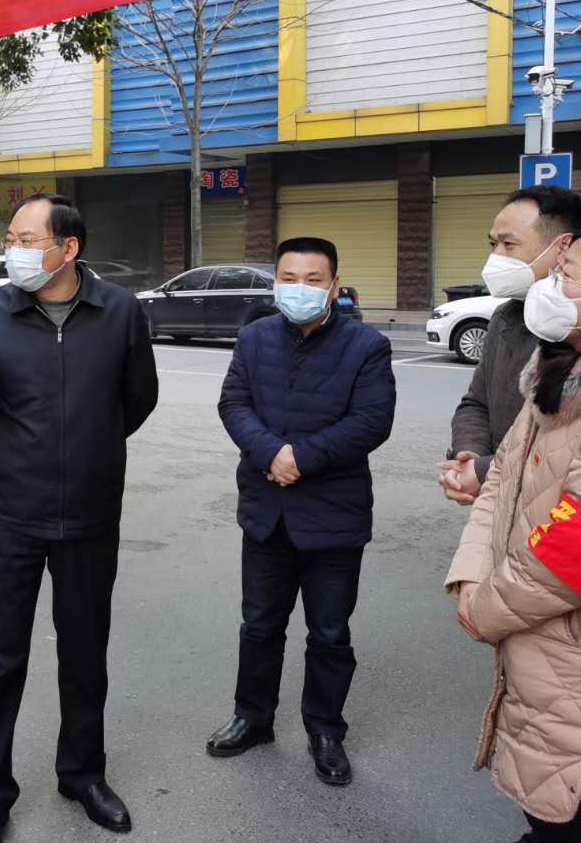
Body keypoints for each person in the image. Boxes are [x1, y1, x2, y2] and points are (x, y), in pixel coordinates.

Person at [0, 194, 159, 843]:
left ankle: (83, 774)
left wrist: (90, 448)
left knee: (85, 652)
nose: (12, 250)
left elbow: (137, 399)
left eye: (26, 239)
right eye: (9, 239)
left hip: (90, 513)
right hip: (10, 513)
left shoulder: (118, 311)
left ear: (69, 249)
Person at [445, 228, 581, 843]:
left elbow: (579, 549)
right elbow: (502, 485)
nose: (551, 286)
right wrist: (470, 576)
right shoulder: (556, 374)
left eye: (567, 274)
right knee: (545, 799)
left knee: (580, 802)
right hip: (536, 640)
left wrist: (486, 609)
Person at [206, 237, 396, 787]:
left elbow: (372, 421)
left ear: (334, 287)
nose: (300, 288)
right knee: (259, 624)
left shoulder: (367, 345)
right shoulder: (254, 337)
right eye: (289, 278)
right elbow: (233, 404)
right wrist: (271, 453)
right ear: (275, 284)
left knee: (329, 632)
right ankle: (253, 717)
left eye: (313, 280)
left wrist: (300, 458)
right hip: (267, 509)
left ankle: (325, 730)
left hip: (334, 514)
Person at [442, 186, 581, 507]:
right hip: (498, 506)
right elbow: (476, 403)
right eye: (493, 244)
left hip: (564, 518)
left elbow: (570, 444)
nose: (495, 256)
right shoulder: (505, 317)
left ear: (562, 247)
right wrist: (468, 454)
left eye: (508, 244)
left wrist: (482, 471)